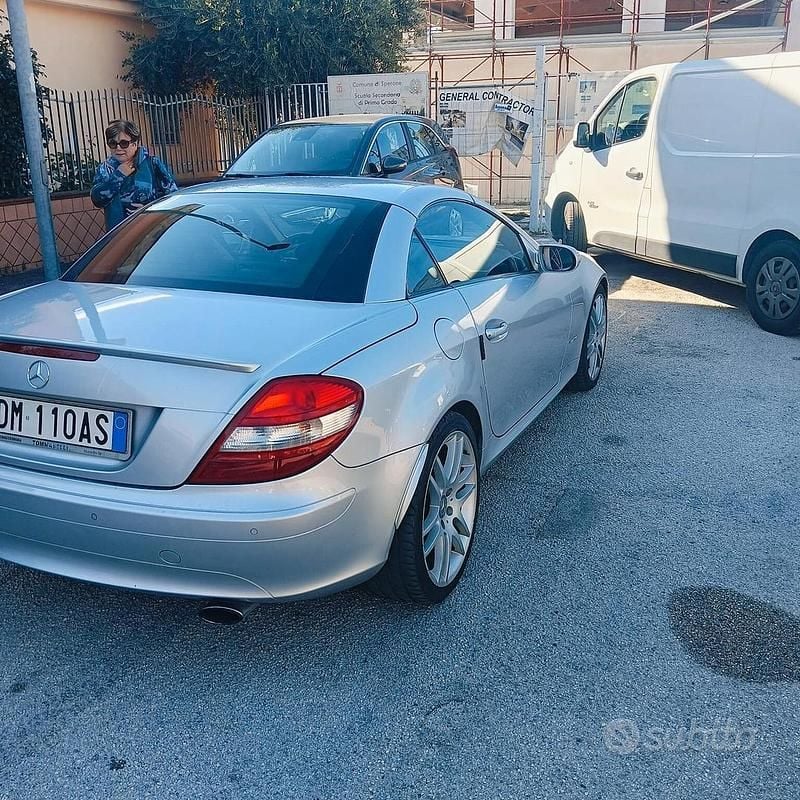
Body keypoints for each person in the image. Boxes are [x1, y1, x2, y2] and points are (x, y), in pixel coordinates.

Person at [91, 119, 178, 231]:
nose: (118, 148)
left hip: (151, 231)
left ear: (135, 144)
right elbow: (97, 199)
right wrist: (119, 175)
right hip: (119, 234)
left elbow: (173, 197)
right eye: (113, 143)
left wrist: (148, 209)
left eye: (124, 143)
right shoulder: (105, 169)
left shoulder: (152, 164)